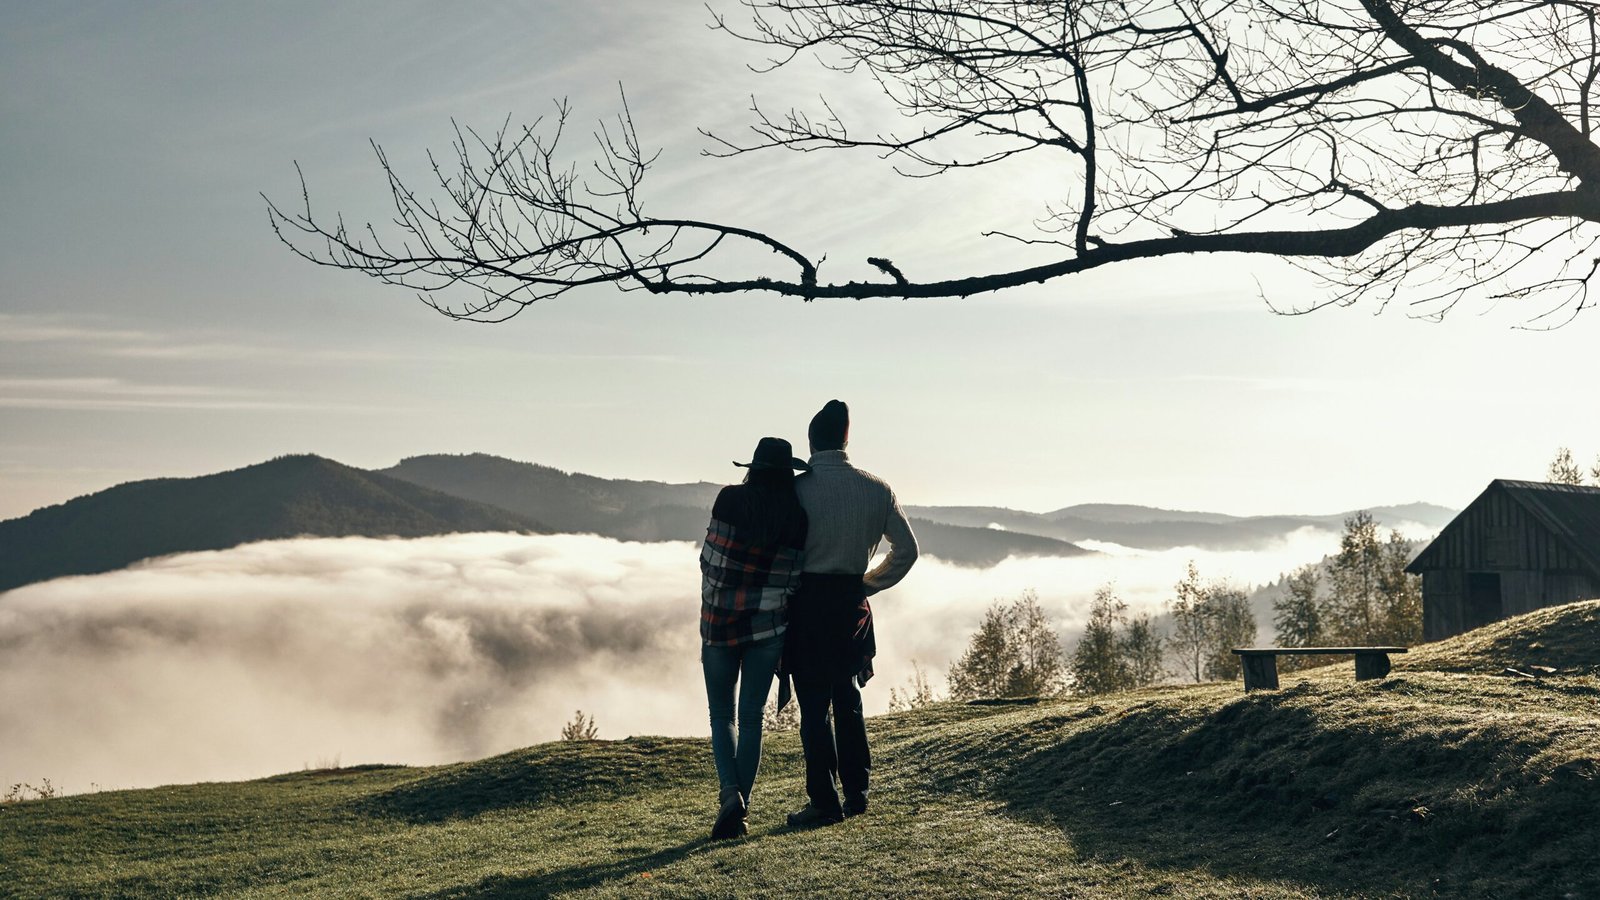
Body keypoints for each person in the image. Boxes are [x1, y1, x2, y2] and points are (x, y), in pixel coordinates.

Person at [783, 400, 918, 827]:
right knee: (849, 700)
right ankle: (857, 793)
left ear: (811, 442)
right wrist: (868, 583)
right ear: (846, 439)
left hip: (805, 605)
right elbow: (907, 551)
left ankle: (823, 801)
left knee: (814, 708)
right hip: (849, 604)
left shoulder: (797, 489)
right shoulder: (877, 489)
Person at [699, 436, 810, 839]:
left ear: (752, 469)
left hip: (719, 625)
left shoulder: (729, 501)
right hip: (768, 631)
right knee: (751, 721)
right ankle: (738, 811)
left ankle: (730, 795)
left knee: (721, 716)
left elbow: (709, 563)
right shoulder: (797, 517)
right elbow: (794, 577)